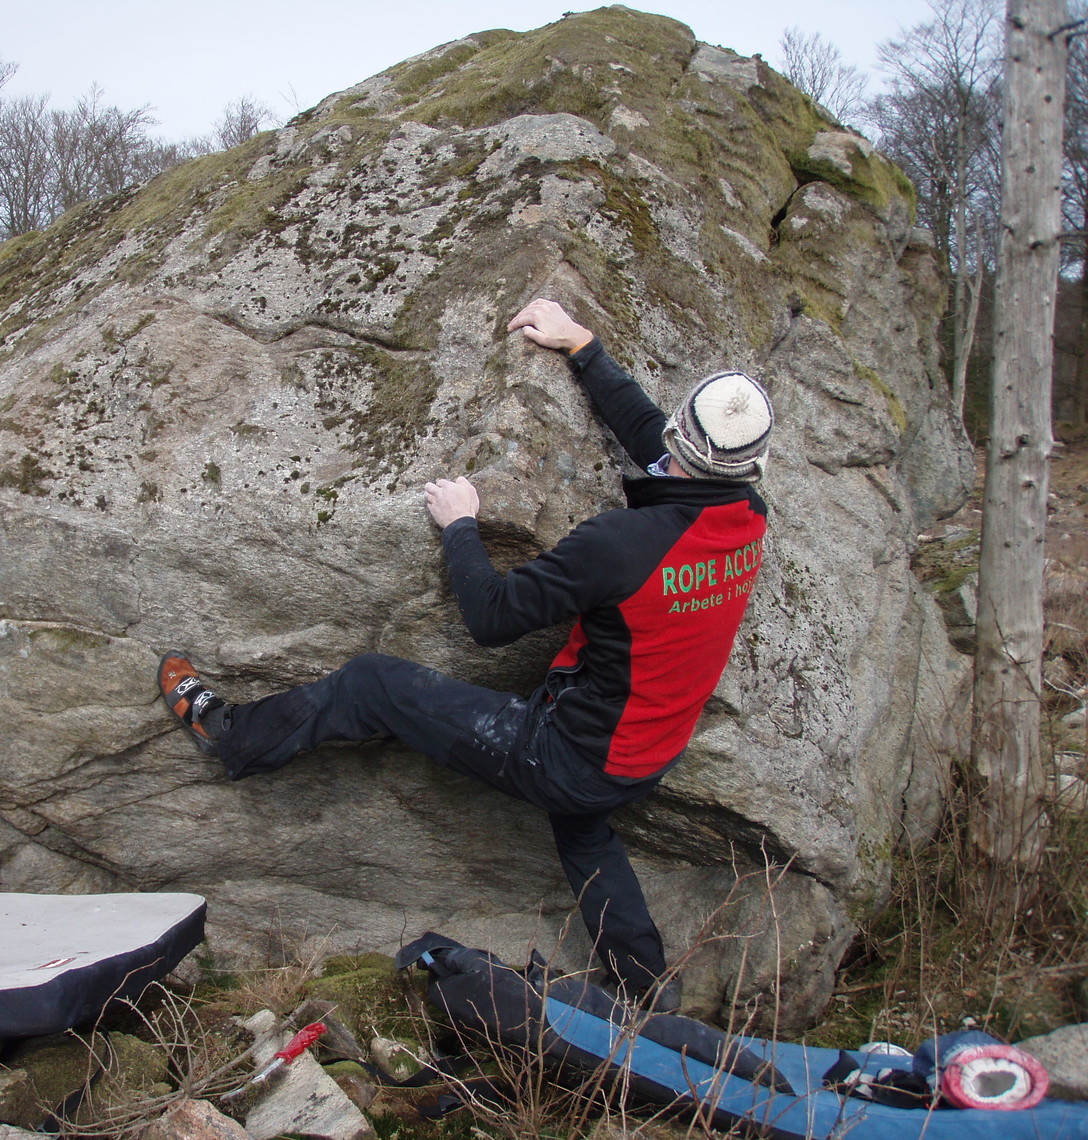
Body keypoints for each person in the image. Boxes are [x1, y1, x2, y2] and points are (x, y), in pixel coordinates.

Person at [157, 298, 772, 1009]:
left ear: (681, 440)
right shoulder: (747, 517)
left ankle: (234, 737)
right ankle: (646, 988)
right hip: (647, 754)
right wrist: (584, 348)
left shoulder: (621, 546)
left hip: (567, 755)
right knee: (586, 834)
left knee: (371, 683)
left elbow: (492, 617)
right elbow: (659, 449)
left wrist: (461, 526)